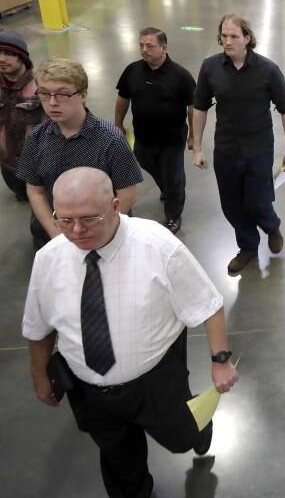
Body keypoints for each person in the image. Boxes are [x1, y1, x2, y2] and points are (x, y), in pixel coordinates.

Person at [22, 167, 239, 498]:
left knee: (181, 437)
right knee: (120, 462)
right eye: (64, 220)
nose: (76, 230)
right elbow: (38, 326)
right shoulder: (49, 259)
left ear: (114, 206)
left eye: (88, 218)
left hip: (156, 383)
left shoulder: (158, 246)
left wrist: (221, 359)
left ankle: (198, 428)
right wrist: (39, 375)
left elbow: (207, 303)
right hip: (90, 392)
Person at [191, 14, 285, 274]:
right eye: (224, 36)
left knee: (258, 201)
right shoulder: (210, 67)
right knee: (231, 204)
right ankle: (248, 247)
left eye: (234, 36)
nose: (227, 41)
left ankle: (272, 227)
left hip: (258, 148)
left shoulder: (268, 70)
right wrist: (197, 148)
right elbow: (200, 107)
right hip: (225, 148)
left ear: (247, 39)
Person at [17, 58, 143, 250]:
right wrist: (59, 236)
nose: (52, 103)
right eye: (44, 93)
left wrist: (98, 233)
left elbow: (128, 195)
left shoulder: (111, 140)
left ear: (83, 94)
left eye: (62, 94)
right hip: (56, 234)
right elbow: (35, 191)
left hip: (104, 237)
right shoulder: (35, 138)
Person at [115, 27, 196, 234]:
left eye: (149, 46)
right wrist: (118, 123)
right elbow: (123, 97)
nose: (144, 50)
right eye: (141, 45)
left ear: (164, 48)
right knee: (146, 163)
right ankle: (168, 189)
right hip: (143, 136)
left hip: (171, 139)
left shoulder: (180, 76)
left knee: (173, 178)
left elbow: (192, 107)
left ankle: (173, 215)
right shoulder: (132, 70)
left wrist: (194, 135)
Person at [0, 29, 47, 201]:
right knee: (21, 194)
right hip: (8, 163)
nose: (1, 59)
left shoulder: (41, 86)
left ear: (22, 57)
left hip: (39, 164)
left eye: (8, 53)